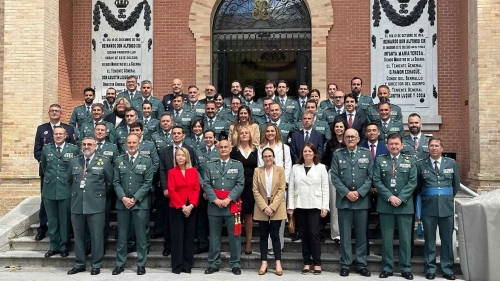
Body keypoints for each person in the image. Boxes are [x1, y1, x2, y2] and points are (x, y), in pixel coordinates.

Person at [372, 133, 417, 280]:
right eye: (391, 144)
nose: (394, 146)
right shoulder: (380, 160)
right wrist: (390, 197)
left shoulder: (410, 161)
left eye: (396, 144)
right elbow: (376, 181)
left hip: (404, 206)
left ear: (402, 145)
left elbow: (413, 182)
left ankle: (405, 268)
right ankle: (387, 268)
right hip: (386, 205)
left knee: (405, 239)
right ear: (387, 145)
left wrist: (400, 198)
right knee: (387, 239)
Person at [67, 137, 113, 276]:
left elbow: (109, 183)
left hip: (96, 205)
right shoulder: (74, 161)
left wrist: (98, 196)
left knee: (96, 236)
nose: (86, 146)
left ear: (95, 146)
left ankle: (96, 264)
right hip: (77, 205)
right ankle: (79, 263)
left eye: (89, 144)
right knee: (79, 236)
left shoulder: (104, 161)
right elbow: (69, 181)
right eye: (84, 144)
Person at [416, 137, 460, 281]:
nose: (434, 148)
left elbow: (455, 185)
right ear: (428, 148)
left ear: (441, 148)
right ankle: (430, 269)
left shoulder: (451, 163)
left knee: (447, 240)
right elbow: (418, 186)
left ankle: (447, 269)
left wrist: (444, 197)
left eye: (436, 146)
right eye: (431, 146)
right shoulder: (421, 165)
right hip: (429, 207)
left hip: (446, 207)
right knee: (429, 240)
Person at [331, 128, 373, 277]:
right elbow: (334, 177)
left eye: (352, 136)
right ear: (344, 139)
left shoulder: (366, 154)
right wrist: (347, 193)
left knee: (361, 235)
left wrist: (360, 192)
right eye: (347, 136)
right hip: (344, 201)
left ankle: (361, 264)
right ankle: (345, 264)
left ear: (358, 139)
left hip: (361, 201)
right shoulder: (337, 154)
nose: (349, 139)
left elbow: (370, 176)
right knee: (345, 235)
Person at [34, 104, 76, 241]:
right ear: (48, 112)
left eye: (57, 111)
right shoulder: (41, 129)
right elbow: (37, 151)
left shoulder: (69, 128)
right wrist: (50, 163)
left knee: (64, 207)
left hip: (65, 176)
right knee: (46, 202)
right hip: (48, 174)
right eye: (52, 111)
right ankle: (42, 228)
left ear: (61, 113)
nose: (54, 113)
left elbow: (73, 152)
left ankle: (65, 235)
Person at [112, 134, 153, 276]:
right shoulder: (119, 160)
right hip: (122, 204)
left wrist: (134, 199)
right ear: (125, 144)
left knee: (141, 237)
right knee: (122, 236)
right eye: (129, 142)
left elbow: (148, 183)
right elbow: (115, 182)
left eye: (134, 142)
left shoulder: (147, 161)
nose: (131, 145)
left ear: (138, 144)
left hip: (139, 204)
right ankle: (120, 264)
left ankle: (141, 264)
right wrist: (123, 198)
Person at [202, 137, 244, 275]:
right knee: (214, 237)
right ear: (218, 149)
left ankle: (235, 264)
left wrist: (228, 199)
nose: (224, 149)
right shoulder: (210, 165)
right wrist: (215, 200)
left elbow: (240, 184)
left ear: (230, 149)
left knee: (234, 236)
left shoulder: (238, 165)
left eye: (226, 147)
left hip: (231, 205)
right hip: (214, 206)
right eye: (221, 147)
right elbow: (206, 184)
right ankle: (214, 263)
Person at [287, 143, 329, 275]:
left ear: (314, 153)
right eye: (305, 151)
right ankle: (306, 262)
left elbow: (325, 188)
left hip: (315, 205)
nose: (307, 153)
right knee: (304, 235)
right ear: (302, 154)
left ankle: (317, 263)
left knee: (314, 234)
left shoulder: (321, 168)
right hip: (300, 204)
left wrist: (325, 206)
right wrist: (290, 206)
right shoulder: (295, 168)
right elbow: (292, 188)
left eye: (310, 151)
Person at [40, 126, 79, 258]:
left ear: (66, 135)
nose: (58, 136)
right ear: (53, 135)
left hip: (65, 189)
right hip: (50, 189)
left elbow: (75, 168)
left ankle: (64, 246)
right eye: (56, 134)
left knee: (64, 221)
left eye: (60, 134)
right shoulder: (46, 149)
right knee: (52, 220)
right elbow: (44, 167)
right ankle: (53, 246)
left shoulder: (73, 150)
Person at [158, 125, 197, 257]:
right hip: (169, 192)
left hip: (186, 196)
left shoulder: (189, 150)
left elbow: (193, 169)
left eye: (178, 133)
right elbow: (162, 170)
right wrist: (165, 188)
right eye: (173, 133)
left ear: (183, 135)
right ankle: (168, 246)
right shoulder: (165, 151)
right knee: (169, 223)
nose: (176, 135)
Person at [252, 148, 286, 276]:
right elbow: (255, 190)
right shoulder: (257, 171)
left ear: (273, 157)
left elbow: (282, 189)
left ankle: (278, 262)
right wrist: (264, 207)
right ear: (262, 158)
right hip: (262, 206)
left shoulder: (280, 170)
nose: (268, 158)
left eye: (270, 156)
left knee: (275, 235)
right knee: (263, 236)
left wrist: (272, 207)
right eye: (265, 156)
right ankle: (264, 262)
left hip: (276, 206)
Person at [257, 123, 292, 248]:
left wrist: (285, 182)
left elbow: (288, 166)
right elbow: (260, 166)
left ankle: (278, 245)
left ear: (276, 132)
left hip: (280, 186)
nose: (270, 133)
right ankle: (268, 247)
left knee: (278, 218)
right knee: (266, 216)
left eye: (272, 131)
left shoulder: (284, 147)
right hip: (265, 187)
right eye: (267, 131)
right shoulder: (261, 148)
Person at [168, 147, 200, 274]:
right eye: (178, 155)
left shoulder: (193, 171)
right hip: (177, 208)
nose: (180, 157)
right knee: (177, 237)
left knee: (189, 237)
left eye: (182, 155)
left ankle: (187, 266)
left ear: (187, 157)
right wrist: (182, 206)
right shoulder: (172, 172)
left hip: (191, 208)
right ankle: (177, 266)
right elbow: (171, 190)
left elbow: (197, 189)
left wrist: (191, 206)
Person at [360, 122, 389, 253]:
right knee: (363, 222)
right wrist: (369, 186)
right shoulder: (360, 147)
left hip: (381, 190)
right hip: (364, 189)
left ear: (378, 133)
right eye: (369, 130)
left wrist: (377, 186)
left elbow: (388, 170)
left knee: (384, 221)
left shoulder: (385, 149)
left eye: (374, 130)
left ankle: (385, 250)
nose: (371, 132)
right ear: (366, 134)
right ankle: (364, 249)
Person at [229, 127, 258, 255]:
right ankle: (236, 243)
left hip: (251, 186)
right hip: (236, 185)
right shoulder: (234, 151)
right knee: (236, 215)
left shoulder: (256, 150)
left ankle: (248, 242)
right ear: (238, 135)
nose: (244, 135)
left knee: (248, 214)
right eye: (242, 133)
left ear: (250, 135)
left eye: (246, 133)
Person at [321, 119, 348, 243]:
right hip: (333, 174)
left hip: (347, 175)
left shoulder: (349, 141)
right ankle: (336, 233)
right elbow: (326, 161)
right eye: (336, 127)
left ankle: (346, 232)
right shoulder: (329, 143)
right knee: (334, 206)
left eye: (341, 126)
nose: (339, 129)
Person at [194, 129, 219, 254]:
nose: (208, 140)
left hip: (216, 191)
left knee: (215, 220)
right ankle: (203, 244)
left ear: (214, 138)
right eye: (206, 138)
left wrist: (210, 190)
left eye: (210, 137)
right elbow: (196, 170)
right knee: (201, 220)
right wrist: (204, 186)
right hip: (202, 191)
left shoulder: (219, 151)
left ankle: (216, 247)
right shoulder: (198, 151)